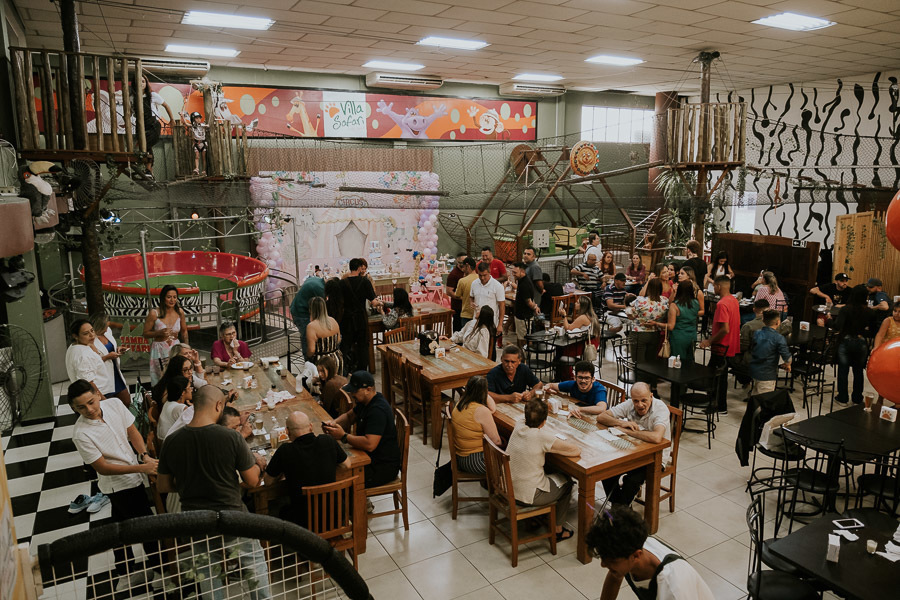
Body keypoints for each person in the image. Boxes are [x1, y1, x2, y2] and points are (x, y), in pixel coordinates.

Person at [157, 386, 271, 600]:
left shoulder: (172, 441)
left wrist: (188, 482)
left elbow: (163, 486)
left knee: (208, 576)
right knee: (254, 565)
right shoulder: (230, 437)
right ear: (219, 405)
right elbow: (252, 481)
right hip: (233, 518)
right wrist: (258, 463)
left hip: (196, 522)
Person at [69, 379, 162, 587]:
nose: (90, 409)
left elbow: (133, 432)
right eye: (81, 407)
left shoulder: (114, 405)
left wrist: (144, 455)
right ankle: (160, 572)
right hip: (118, 485)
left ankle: (125, 573)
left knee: (121, 527)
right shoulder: (81, 433)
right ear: (73, 408)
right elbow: (102, 467)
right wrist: (142, 468)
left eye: (92, 402)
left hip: (134, 474)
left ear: (97, 393)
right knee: (147, 528)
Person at [586, 504, 714, 600]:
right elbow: (615, 576)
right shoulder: (631, 546)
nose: (603, 564)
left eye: (612, 561)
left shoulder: (672, 588)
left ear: (636, 556)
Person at [506, 398, 580, 541]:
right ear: (545, 420)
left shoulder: (519, 425)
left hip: (507, 488)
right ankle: (557, 530)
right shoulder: (541, 436)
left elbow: (527, 418)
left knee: (550, 470)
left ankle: (537, 517)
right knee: (568, 484)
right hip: (528, 495)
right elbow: (575, 450)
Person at [264, 411, 351, 527]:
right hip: (336, 518)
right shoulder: (327, 441)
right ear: (311, 426)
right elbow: (347, 465)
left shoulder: (285, 451)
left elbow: (268, 481)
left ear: (287, 432)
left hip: (304, 524)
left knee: (278, 508)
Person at [322, 371, 400, 487]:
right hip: (368, 457)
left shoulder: (378, 410)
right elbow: (349, 416)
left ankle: (360, 503)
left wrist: (343, 436)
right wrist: (333, 423)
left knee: (337, 477)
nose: (352, 394)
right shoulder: (365, 401)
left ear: (368, 389)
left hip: (381, 467)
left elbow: (370, 444)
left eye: (355, 391)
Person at [596, 382, 670, 506]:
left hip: (655, 458)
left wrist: (626, 432)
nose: (640, 405)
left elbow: (657, 437)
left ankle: (619, 510)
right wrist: (621, 423)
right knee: (606, 470)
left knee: (631, 481)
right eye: (636, 401)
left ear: (651, 396)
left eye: (644, 400)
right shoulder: (630, 404)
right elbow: (602, 417)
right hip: (631, 452)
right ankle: (619, 507)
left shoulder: (660, 409)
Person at [699, 276, 741, 412]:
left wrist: (709, 341)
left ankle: (718, 405)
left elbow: (725, 329)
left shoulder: (722, 304)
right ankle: (717, 403)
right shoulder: (734, 300)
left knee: (716, 378)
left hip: (721, 346)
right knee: (719, 376)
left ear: (718, 286)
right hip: (730, 345)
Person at [450, 376, 501, 474]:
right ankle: (496, 487)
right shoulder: (481, 411)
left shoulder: (460, 402)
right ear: (484, 392)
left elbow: (492, 409)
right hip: (474, 461)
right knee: (509, 465)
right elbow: (496, 441)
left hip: (460, 457)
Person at [340, 258, 382, 372]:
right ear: (359, 268)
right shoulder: (365, 281)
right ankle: (362, 371)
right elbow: (373, 302)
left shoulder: (342, 283)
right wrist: (380, 302)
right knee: (363, 345)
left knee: (346, 345)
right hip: (360, 318)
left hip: (347, 318)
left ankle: (345, 369)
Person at [834, 285, 873, 405]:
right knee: (858, 371)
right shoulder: (869, 311)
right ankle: (857, 398)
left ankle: (843, 398)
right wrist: (862, 332)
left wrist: (828, 320)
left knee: (843, 370)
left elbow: (837, 326)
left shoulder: (846, 309)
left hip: (845, 341)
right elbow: (873, 330)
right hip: (861, 342)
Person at [143, 284, 187, 385]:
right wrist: (158, 333)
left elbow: (184, 331)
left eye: (174, 297)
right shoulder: (154, 313)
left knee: (177, 377)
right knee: (160, 379)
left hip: (175, 348)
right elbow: (145, 333)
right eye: (169, 297)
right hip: (159, 350)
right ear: (163, 298)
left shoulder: (180, 312)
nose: (172, 300)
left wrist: (186, 349)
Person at [628, 278, 668, 384]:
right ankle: (652, 387)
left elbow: (631, 315)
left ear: (648, 288)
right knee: (651, 363)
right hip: (655, 334)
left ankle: (640, 387)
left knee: (639, 363)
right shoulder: (664, 301)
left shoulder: (640, 300)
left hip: (638, 333)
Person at [136, 73, 177, 175]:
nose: (141, 83)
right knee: (147, 148)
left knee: (144, 146)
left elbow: (166, 105)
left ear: (146, 83)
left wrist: (171, 119)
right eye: (139, 81)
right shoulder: (135, 98)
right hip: (141, 125)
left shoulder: (153, 95)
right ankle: (149, 171)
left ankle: (147, 168)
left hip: (154, 124)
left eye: (143, 81)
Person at [90, 312, 131, 407]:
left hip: (115, 372)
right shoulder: (91, 340)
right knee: (110, 406)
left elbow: (110, 346)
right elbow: (92, 361)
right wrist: (106, 357)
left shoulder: (107, 331)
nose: (106, 330)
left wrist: (118, 348)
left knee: (126, 402)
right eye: (104, 327)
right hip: (103, 375)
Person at [66, 319, 114, 399]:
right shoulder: (83, 354)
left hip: (98, 392)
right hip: (99, 393)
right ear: (75, 336)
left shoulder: (74, 346)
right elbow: (88, 381)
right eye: (86, 333)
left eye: (92, 331)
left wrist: (91, 345)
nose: (92, 335)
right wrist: (103, 399)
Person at [749, 310, 792, 395]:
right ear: (778, 322)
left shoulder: (757, 333)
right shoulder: (778, 338)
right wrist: (788, 364)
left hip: (754, 370)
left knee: (755, 396)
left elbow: (753, 349)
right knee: (764, 401)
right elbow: (787, 356)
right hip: (767, 373)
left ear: (763, 320)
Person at [667, 280, 702, 367]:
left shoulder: (675, 305)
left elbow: (671, 325)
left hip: (678, 336)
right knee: (688, 362)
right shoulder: (696, 303)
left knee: (676, 363)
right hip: (692, 335)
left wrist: (656, 324)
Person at [306, 296, 343, 375]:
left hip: (322, 363)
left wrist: (308, 357)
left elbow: (311, 350)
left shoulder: (311, 326)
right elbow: (339, 339)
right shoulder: (333, 320)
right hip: (336, 359)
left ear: (311, 309)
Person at [290, 274, 325, 355]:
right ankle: (308, 360)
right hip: (301, 313)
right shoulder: (320, 289)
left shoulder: (317, 279)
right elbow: (323, 307)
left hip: (298, 308)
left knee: (308, 336)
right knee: (307, 337)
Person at [470, 261, 506, 335]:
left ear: (489, 273)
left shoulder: (497, 286)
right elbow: (471, 297)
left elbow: (502, 306)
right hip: (477, 320)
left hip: (491, 321)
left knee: (490, 344)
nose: (482, 278)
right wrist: (471, 303)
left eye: (485, 275)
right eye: (480, 275)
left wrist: (500, 324)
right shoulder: (474, 283)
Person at [157, 375, 193, 444]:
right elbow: (195, 427)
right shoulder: (181, 408)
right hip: (173, 445)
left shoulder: (167, 403)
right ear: (183, 392)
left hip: (164, 443)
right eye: (189, 388)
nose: (191, 390)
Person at [511, 261, 539, 347]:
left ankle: (524, 356)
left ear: (522, 271)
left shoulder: (524, 284)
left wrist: (535, 307)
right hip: (521, 316)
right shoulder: (522, 280)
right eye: (513, 272)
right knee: (522, 337)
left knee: (523, 339)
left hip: (524, 317)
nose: (513, 274)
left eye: (515, 273)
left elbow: (529, 302)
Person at [446, 252, 468, 331]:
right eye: (461, 262)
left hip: (467, 308)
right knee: (458, 330)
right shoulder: (453, 274)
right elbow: (449, 291)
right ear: (457, 262)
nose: (464, 264)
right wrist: (462, 298)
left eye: (465, 262)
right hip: (458, 307)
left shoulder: (468, 272)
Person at [455, 257, 478, 327]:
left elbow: (457, 295)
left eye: (463, 267)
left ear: (467, 266)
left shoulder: (462, 281)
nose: (462, 269)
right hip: (478, 313)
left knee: (466, 336)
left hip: (466, 314)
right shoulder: (480, 279)